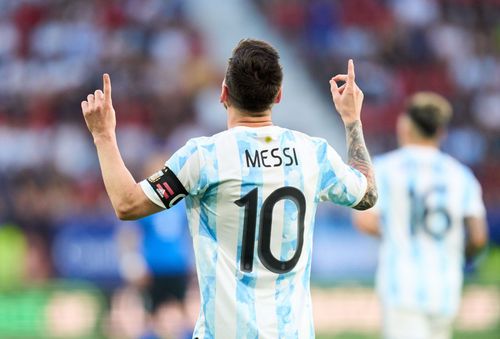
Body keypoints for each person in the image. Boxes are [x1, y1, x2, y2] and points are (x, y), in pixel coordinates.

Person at [81, 38, 377, 338]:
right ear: (278, 96)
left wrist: (103, 136)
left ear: (223, 93)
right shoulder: (312, 153)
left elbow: (127, 204)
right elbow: (367, 194)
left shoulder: (203, 157)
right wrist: (352, 120)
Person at [352, 92, 488, 339]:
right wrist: (454, 252)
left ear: (405, 125)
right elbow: (478, 238)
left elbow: (364, 220)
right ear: (441, 132)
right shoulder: (461, 176)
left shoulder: (385, 169)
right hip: (446, 287)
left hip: (402, 286)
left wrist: (400, 233)